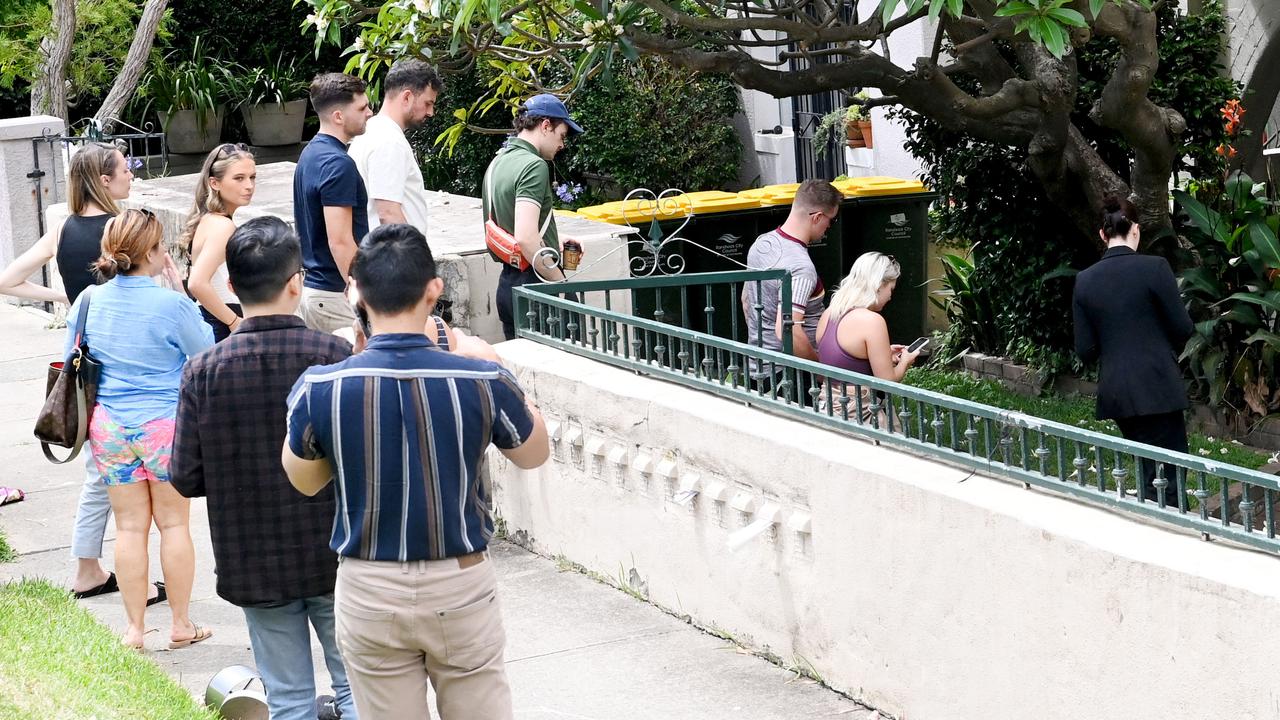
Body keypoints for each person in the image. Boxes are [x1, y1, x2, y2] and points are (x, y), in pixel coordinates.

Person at [282, 223, 550, 719]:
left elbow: (305, 479)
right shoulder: (481, 377)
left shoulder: (321, 388)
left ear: (356, 292)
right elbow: (533, 453)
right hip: (460, 581)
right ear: (434, 290)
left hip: (369, 586)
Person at [172, 217, 356, 720]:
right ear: (296, 282)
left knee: (288, 699)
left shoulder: (203, 371)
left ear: (230, 285)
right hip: (335, 550)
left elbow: (185, 476)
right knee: (356, 687)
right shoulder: (333, 356)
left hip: (254, 556)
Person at [0, 142, 162, 605]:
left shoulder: (63, 229)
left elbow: (6, 280)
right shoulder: (122, 231)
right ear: (105, 180)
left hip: (81, 356)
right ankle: (112, 572)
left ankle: (89, 567)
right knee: (125, 476)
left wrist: (65, 298)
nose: (130, 173)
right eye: (123, 169)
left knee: (99, 469)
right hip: (125, 357)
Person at [65, 209, 214, 650]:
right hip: (164, 426)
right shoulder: (171, 304)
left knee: (129, 529)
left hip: (108, 427)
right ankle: (181, 625)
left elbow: (69, 358)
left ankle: (134, 630)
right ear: (152, 252)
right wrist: (178, 291)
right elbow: (204, 354)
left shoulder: (89, 300)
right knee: (173, 526)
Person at [1073, 196, 1194, 506]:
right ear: (1136, 230)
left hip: (1118, 390)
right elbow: (1183, 328)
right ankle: (1174, 534)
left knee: (1146, 468)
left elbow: (1084, 350)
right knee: (1172, 475)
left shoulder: (1084, 281)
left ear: (1103, 234)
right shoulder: (1155, 268)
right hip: (1158, 383)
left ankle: (1151, 522)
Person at [482, 93, 584, 340]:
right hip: (538, 291)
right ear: (546, 125)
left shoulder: (497, 163)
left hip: (508, 287)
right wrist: (562, 286)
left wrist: (552, 241)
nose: (562, 145)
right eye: (561, 135)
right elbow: (526, 238)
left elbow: (505, 228)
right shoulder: (533, 165)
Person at [742, 178, 842, 395]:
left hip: (758, 368)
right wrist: (820, 371)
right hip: (789, 377)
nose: (829, 228)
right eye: (831, 221)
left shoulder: (761, 244)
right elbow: (787, 329)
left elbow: (747, 301)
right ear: (817, 217)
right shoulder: (801, 267)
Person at [294, 72, 373, 333]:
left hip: (316, 292)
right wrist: (363, 298)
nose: (370, 112)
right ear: (338, 116)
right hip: (334, 296)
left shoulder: (310, 154)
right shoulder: (338, 164)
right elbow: (339, 241)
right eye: (362, 108)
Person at [815, 252, 921, 422]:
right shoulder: (872, 321)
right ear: (879, 285)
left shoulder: (829, 314)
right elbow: (887, 382)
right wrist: (905, 361)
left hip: (827, 404)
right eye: (890, 289)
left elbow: (839, 359)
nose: (891, 296)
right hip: (858, 411)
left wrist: (884, 353)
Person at [349, 59, 442, 233]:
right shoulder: (389, 141)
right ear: (407, 97)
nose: (430, 112)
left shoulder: (371, 131)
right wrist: (413, 256)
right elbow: (388, 213)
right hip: (392, 255)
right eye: (428, 103)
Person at [179, 143, 257, 341]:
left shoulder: (209, 219)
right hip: (221, 324)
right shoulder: (222, 227)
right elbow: (197, 283)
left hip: (212, 319)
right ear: (214, 183)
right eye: (239, 178)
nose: (249, 186)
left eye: (252, 177)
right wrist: (234, 322)